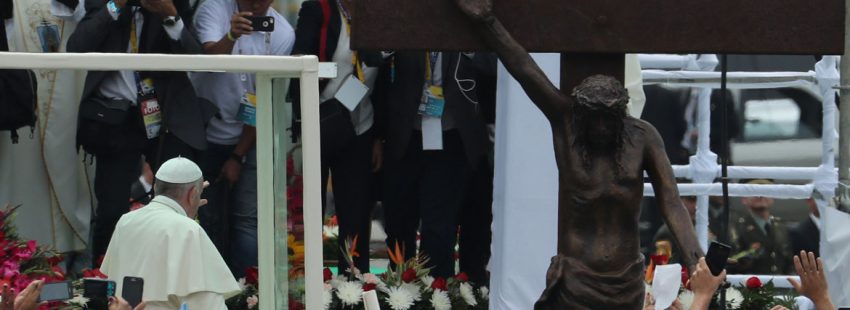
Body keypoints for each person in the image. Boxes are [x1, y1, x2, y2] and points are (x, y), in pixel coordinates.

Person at [455, 0, 703, 307]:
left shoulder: (643, 137)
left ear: (621, 115)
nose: (600, 128)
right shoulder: (566, 124)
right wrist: (487, 21)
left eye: (608, 119)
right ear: (580, 114)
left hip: (625, 279)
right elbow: (523, 67)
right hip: (574, 278)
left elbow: (671, 201)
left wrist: (696, 259)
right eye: (592, 119)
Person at [66, 0, 217, 263]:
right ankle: (104, 275)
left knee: (182, 199)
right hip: (115, 117)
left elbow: (195, 59)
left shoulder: (174, 3)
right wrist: (116, 5)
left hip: (165, 116)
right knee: (111, 210)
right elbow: (77, 47)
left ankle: (184, 269)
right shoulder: (105, 3)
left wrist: (170, 15)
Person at [191, 0, 294, 278]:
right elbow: (210, 64)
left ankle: (247, 291)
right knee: (204, 219)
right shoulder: (214, 8)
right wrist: (231, 35)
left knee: (247, 220)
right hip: (203, 133)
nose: (257, 3)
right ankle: (209, 288)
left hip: (250, 134)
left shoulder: (283, 32)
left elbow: (265, 99)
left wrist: (238, 154)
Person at [288, 0, 384, 274]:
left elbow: (385, 79)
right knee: (310, 211)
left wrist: (379, 137)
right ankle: (308, 280)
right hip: (320, 123)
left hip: (361, 126)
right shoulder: (319, 8)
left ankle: (352, 283)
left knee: (356, 214)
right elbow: (299, 60)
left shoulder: (379, 14)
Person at [381, 49, 495, 277]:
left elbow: (492, 65)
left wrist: (470, 50)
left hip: (451, 135)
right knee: (399, 220)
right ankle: (400, 286)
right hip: (406, 135)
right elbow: (373, 61)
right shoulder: (404, 28)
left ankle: (436, 287)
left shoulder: (467, 29)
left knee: (439, 224)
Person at [100, 157, 240, 309]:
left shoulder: (126, 221)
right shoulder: (188, 229)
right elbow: (206, 303)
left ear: (155, 188)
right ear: (193, 194)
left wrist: (186, 210)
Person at [729, 179, 792, 274]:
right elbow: (731, 263)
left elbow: (790, 263)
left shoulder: (782, 228)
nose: (760, 195)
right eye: (754, 191)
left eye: (765, 191)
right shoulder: (735, 228)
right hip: (747, 282)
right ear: (744, 198)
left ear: (773, 197)